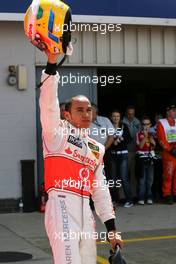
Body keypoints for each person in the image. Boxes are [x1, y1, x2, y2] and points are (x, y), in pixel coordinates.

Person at [39, 51, 123, 264]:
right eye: (80, 110)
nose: (86, 114)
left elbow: (101, 191)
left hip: (86, 210)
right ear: (67, 114)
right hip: (61, 205)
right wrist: (51, 63)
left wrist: (112, 230)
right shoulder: (56, 134)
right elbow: (48, 102)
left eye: (89, 110)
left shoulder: (96, 148)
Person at [108, 110, 133, 208]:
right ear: (111, 117)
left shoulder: (124, 126)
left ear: (120, 117)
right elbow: (106, 138)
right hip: (113, 155)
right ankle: (115, 199)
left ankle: (129, 200)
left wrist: (120, 139)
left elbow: (129, 139)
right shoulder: (109, 126)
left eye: (117, 116)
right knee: (113, 179)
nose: (115, 118)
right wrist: (112, 142)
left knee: (124, 178)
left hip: (123, 155)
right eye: (114, 116)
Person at [157, 105, 176, 204]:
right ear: (167, 112)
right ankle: (167, 195)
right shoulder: (161, 123)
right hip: (168, 153)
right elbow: (161, 139)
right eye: (173, 111)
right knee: (168, 175)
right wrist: (170, 149)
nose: (175, 112)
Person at [136, 116, 156, 205]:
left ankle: (149, 196)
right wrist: (145, 136)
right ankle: (141, 197)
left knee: (150, 179)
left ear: (150, 125)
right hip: (141, 159)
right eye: (144, 124)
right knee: (142, 180)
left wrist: (149, 136)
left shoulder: (152, 134)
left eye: (147, 124)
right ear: (141, 125)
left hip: (150, 157)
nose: (146, 126)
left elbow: (154, 145)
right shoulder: (138, 134)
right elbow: (140, 146)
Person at [123, 106, 140, 198]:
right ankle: (123, 196)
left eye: (132, 113)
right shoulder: (122, 123)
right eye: (129, 114)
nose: (131, 115)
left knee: (134, 175)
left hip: (135, 151)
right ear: (126, 113)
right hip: (125, 151)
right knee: (124, 175)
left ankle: (134, 195)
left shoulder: (137, 122)